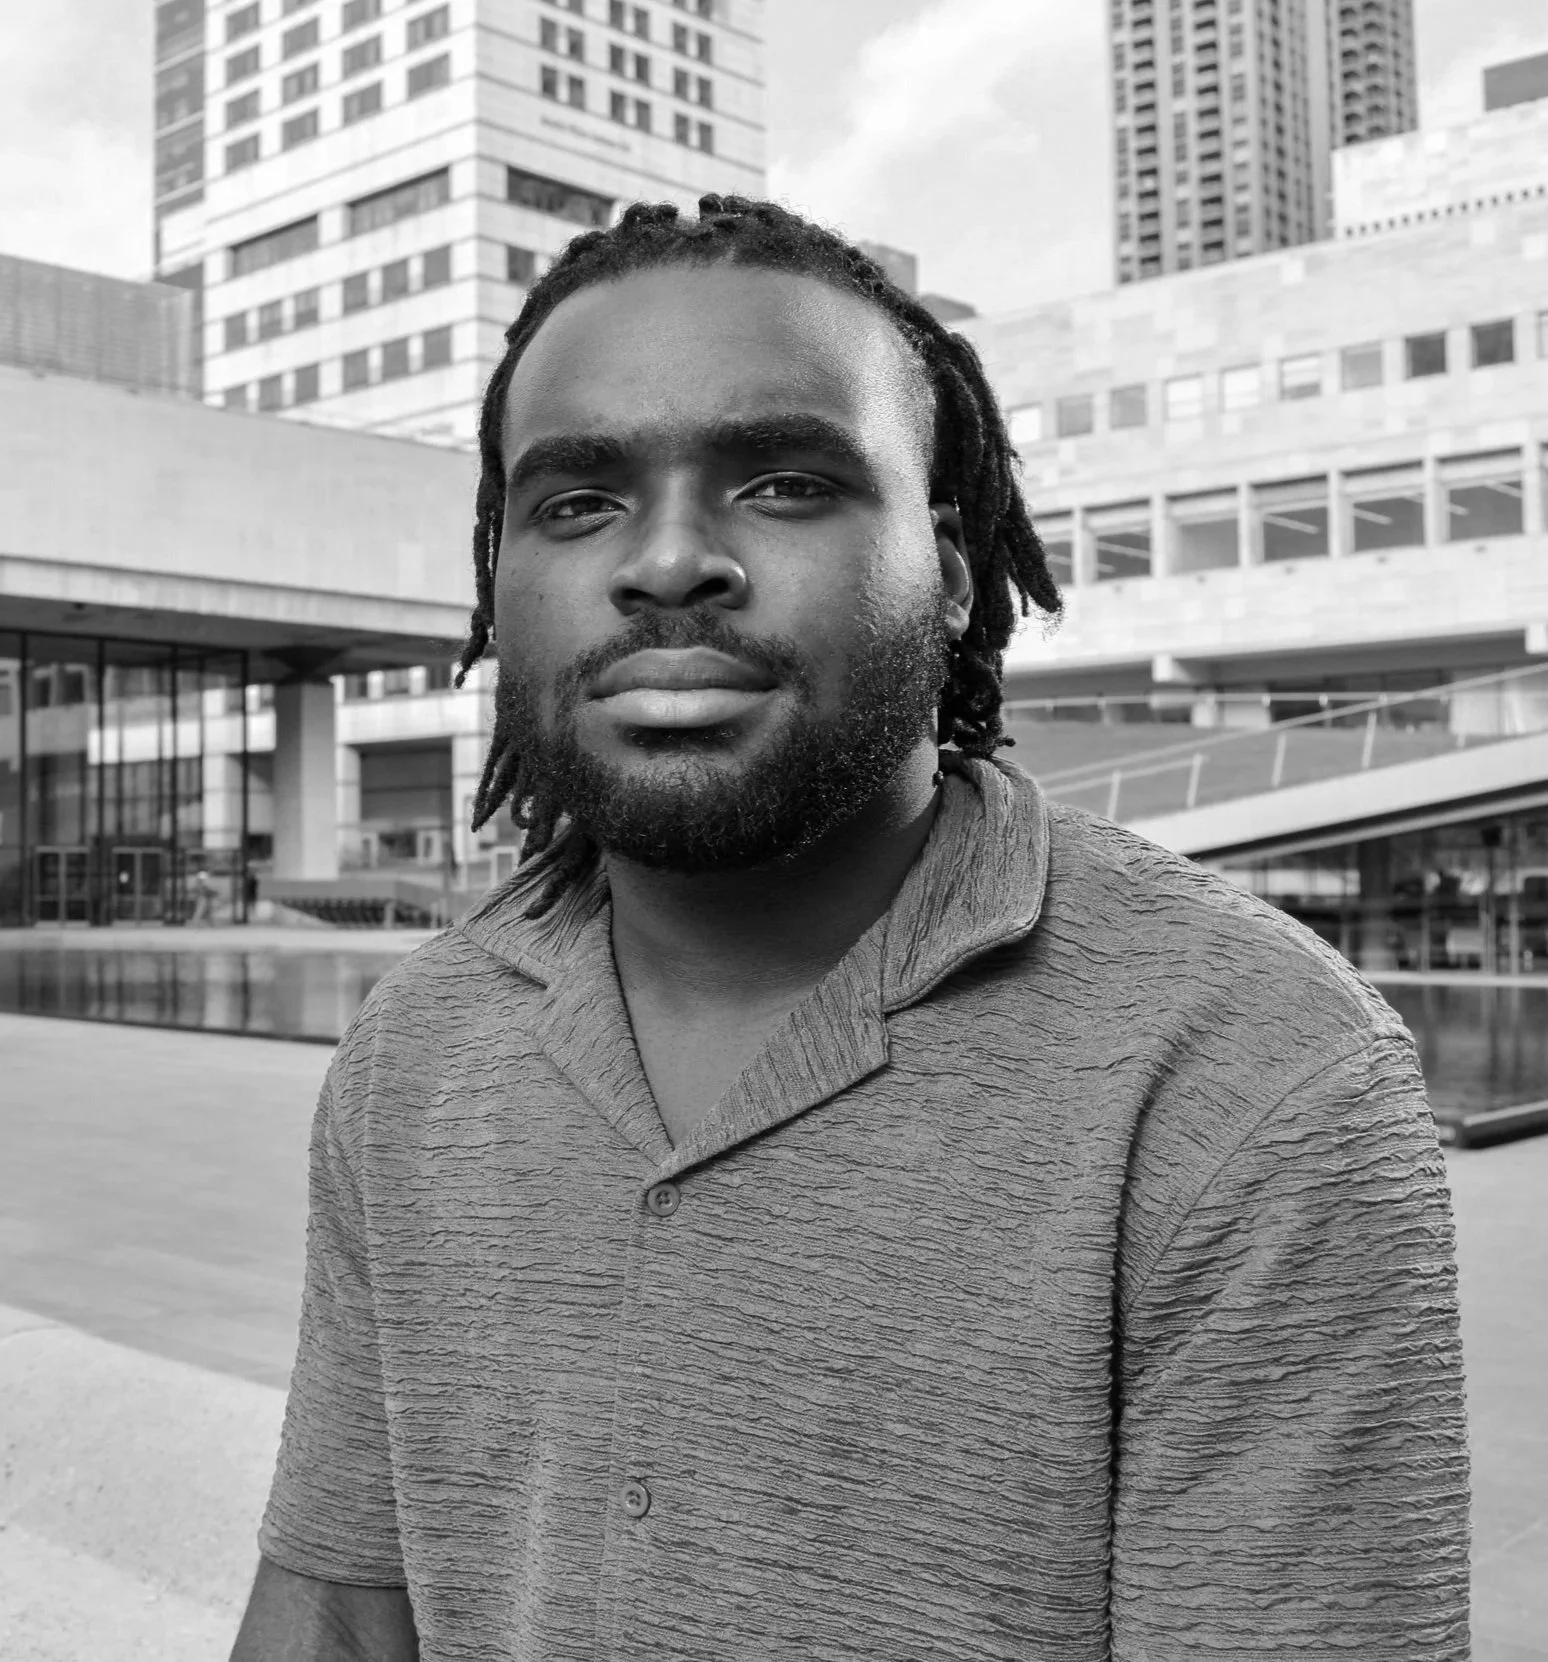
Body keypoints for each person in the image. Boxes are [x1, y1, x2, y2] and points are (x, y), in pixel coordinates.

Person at [232, 197, 1469, 1661]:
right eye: (578, 502)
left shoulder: (1255, 1078)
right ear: (497, 586)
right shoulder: (414, 1051)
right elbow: (336, 1619)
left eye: (785, 483)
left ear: (949, 569)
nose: (669, 560)